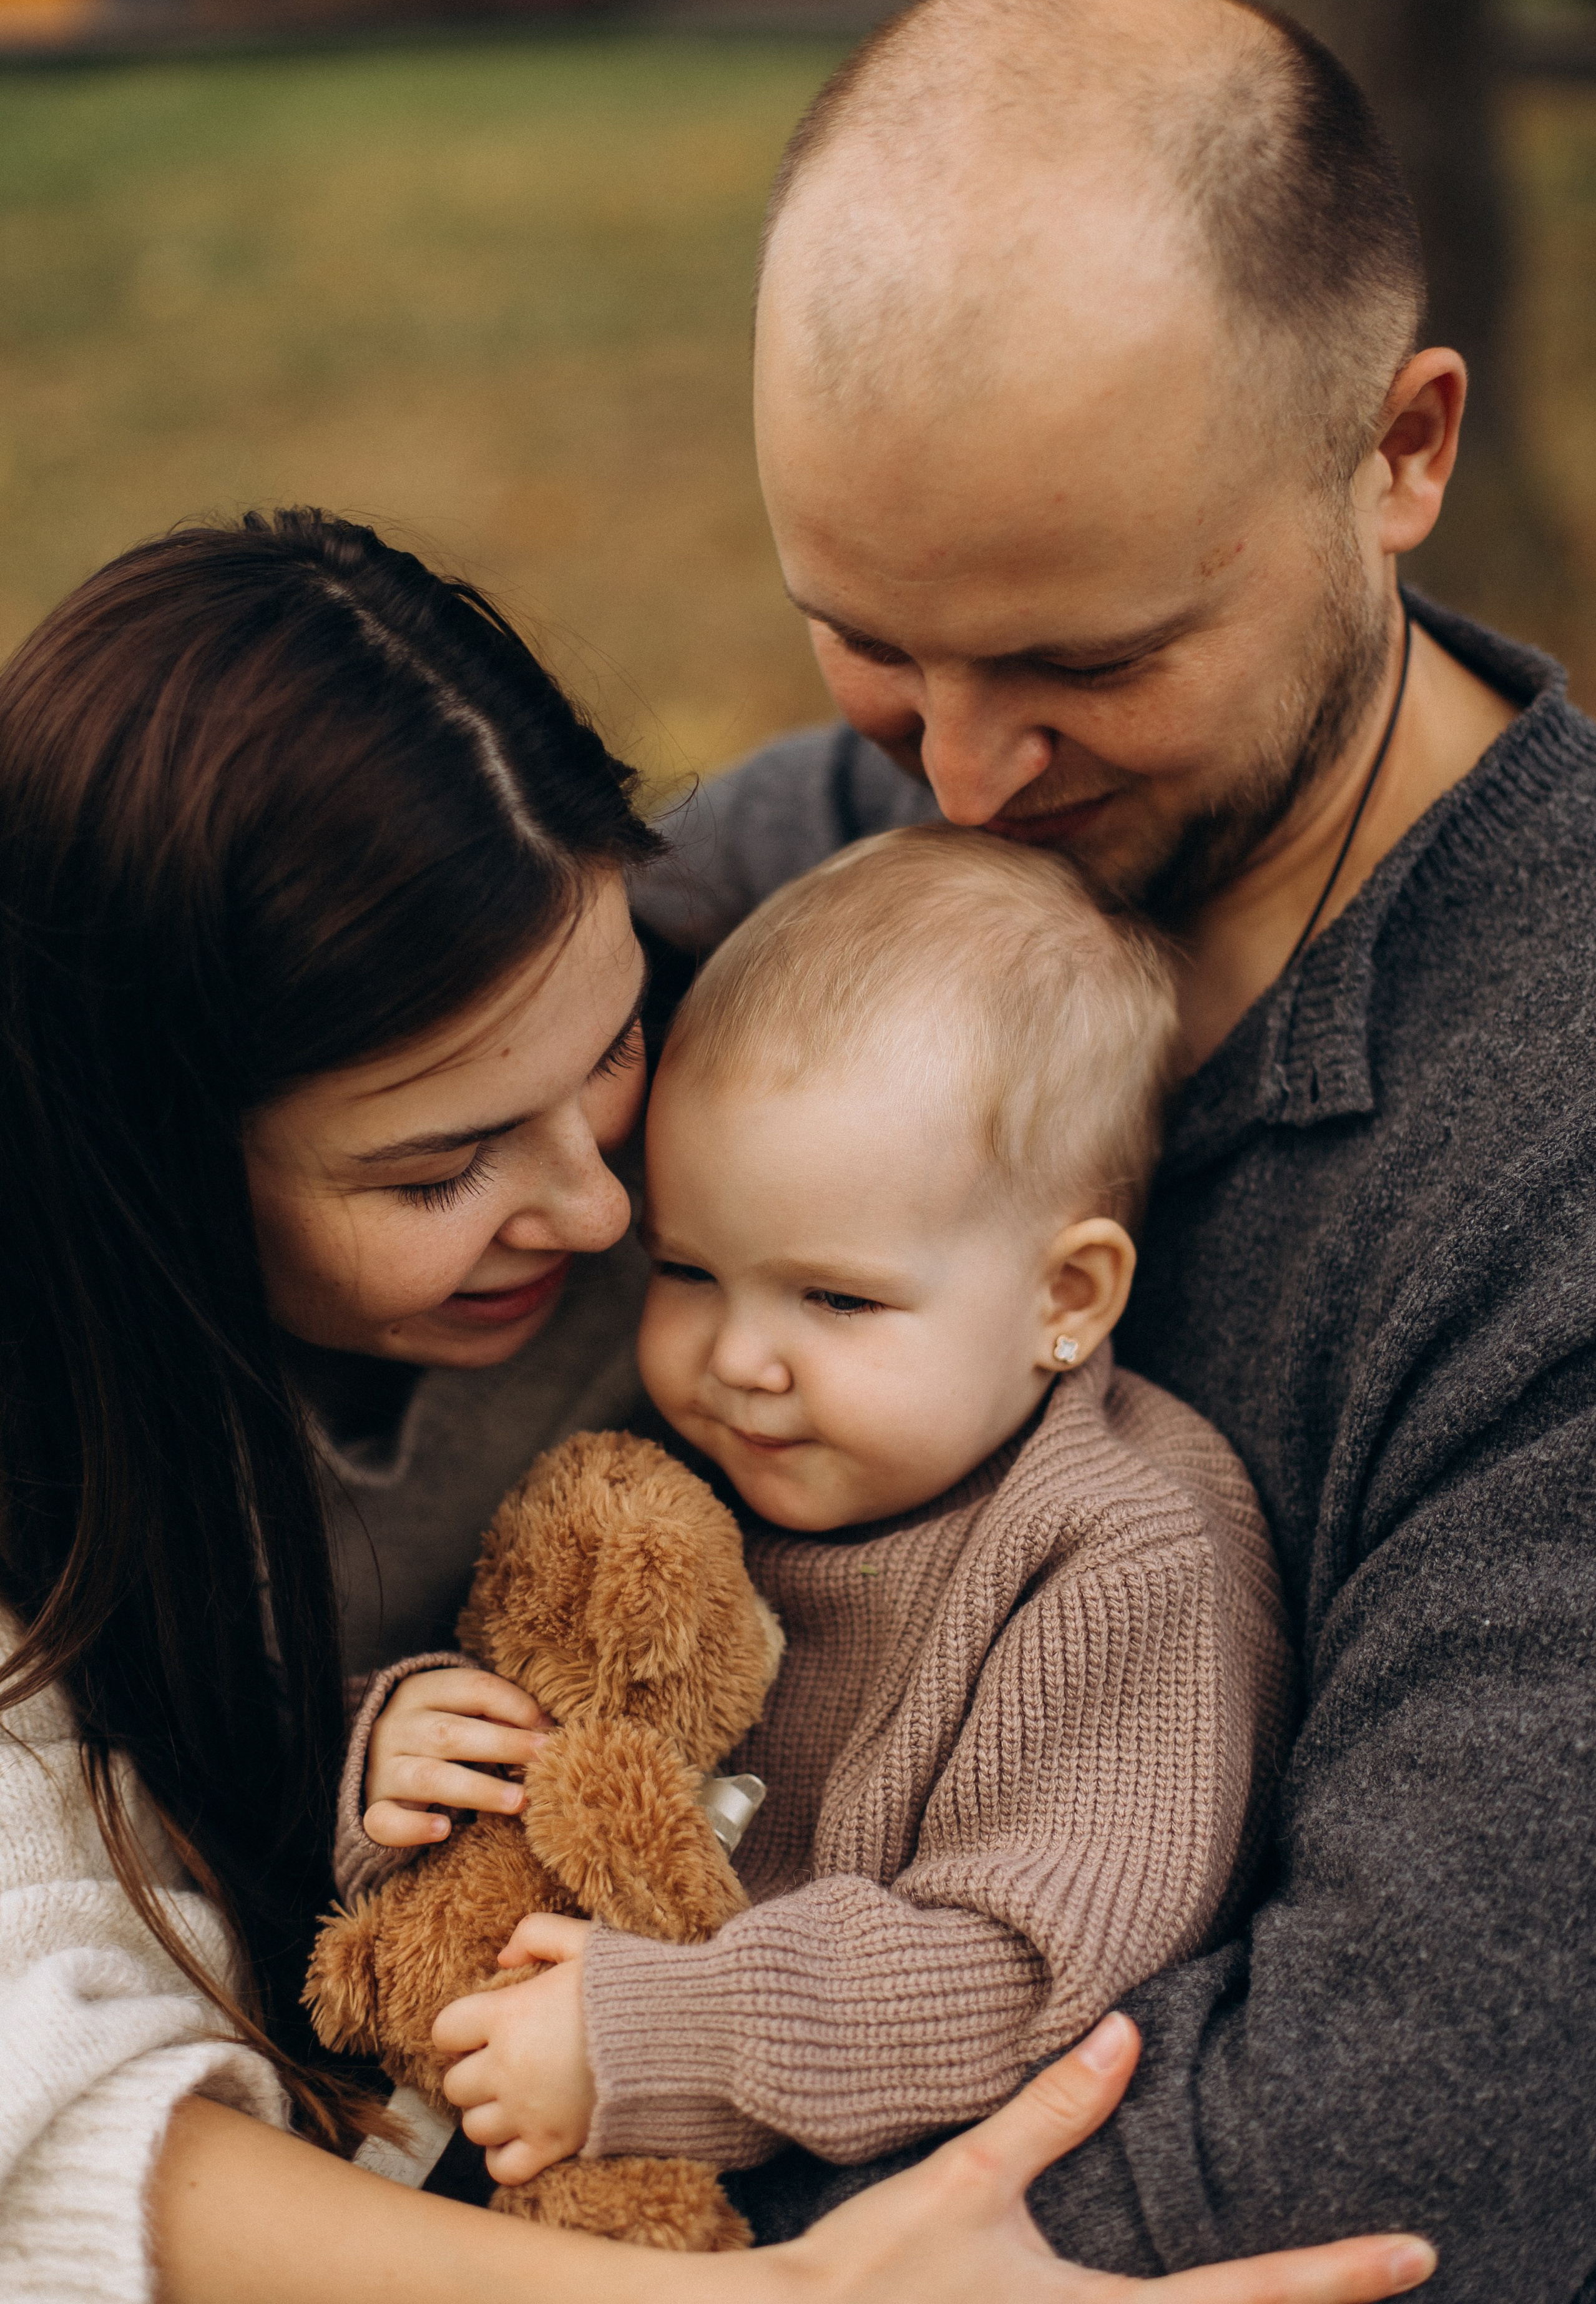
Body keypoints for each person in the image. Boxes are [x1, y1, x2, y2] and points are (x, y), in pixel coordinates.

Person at [0, 507, 1436, 2304]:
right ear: (149, 1177)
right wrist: (377, 1761)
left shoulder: (793, 1208)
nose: (608, 1220)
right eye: (440, 1167)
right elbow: (31, 2079)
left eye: (610, 1049)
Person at [627, 0, 1596, 2303]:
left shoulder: (1551, 1133)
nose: (950, 779)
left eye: (1085, 663)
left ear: (1402, 449)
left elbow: (1421, 2122)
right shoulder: (789, 870)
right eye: (864, 632)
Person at [343, 825, 1292, 2179]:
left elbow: (1024, 1964)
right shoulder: (685, 1461)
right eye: (686, 1271)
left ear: (1063, 1298)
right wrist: (405, 1751)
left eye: (835, 1298)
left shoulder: (1118, 1553)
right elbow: (543, 1749)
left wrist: (657, 2039)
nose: (735, 1359)